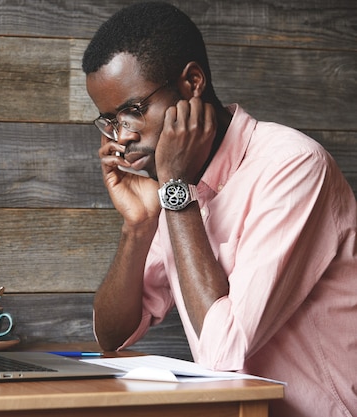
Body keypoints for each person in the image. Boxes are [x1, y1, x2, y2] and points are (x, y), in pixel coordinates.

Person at [82, 2, 356, 416]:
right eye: (110, 121)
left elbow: (224, 351)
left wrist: (175, 188)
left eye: (133, 111)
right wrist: (138, 227)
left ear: (192, 82)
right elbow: (112, 336)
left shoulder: (293, 165)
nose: (122, 137)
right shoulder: (178, 185)